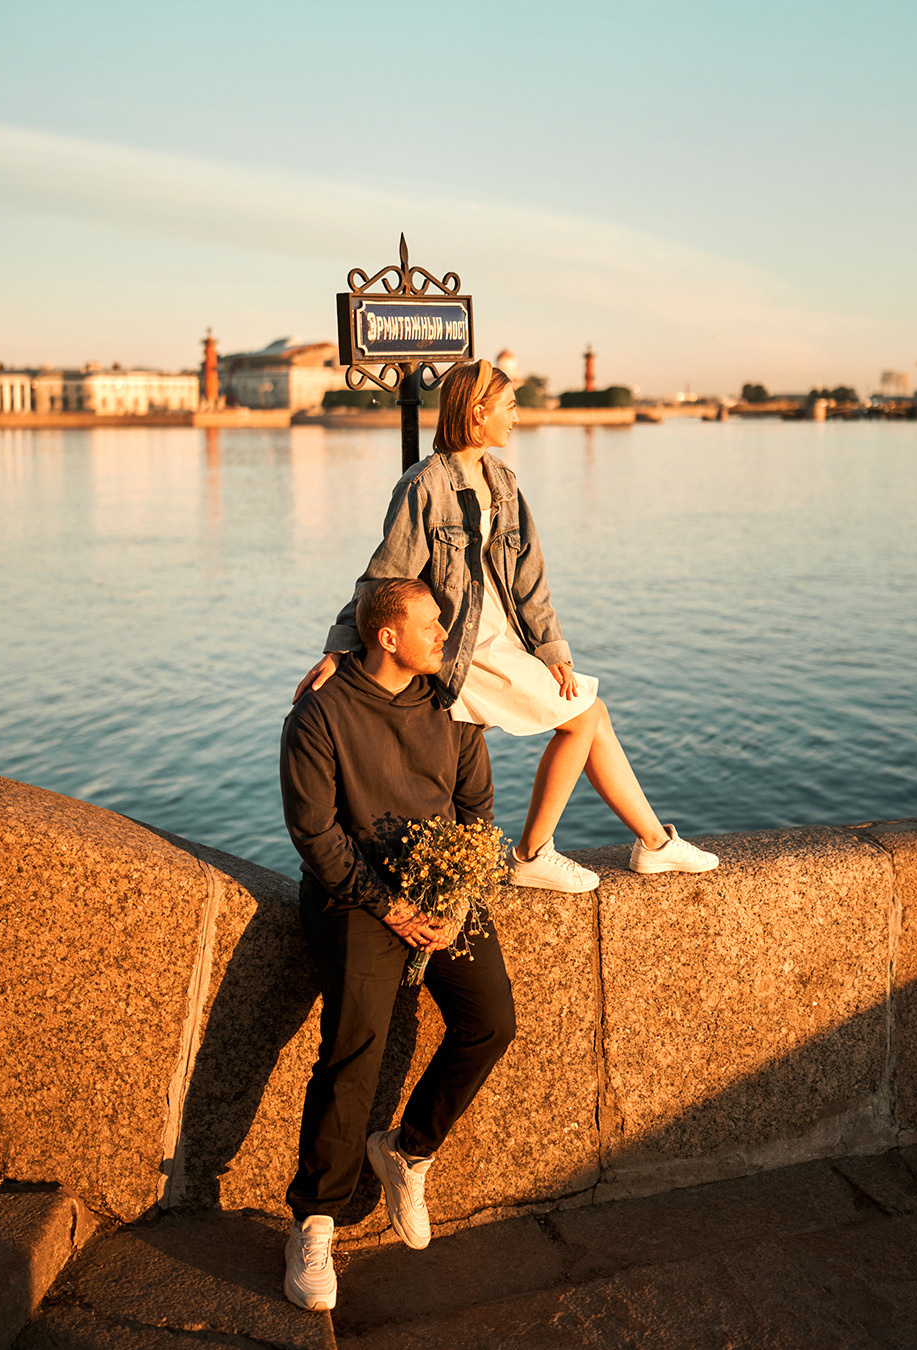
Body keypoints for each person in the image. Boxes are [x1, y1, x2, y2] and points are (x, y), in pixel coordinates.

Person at [296, 358, 718, 894]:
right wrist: (339, 649)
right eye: (510, 405)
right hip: (462, 647)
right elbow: (384, 578)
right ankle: (534, 852)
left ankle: (654, 845)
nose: (517, 416)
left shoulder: (502, 481)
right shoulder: (424, 485)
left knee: (591, 712)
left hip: (504, 639)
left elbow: (530, 576)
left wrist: (551, 649)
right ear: (477, 414)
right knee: (585, 715)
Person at [280, 576, 516, 1311]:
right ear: (388, 636)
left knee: (491, 1022)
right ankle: (314, 1222)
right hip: (354, 898)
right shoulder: (320, 715)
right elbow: (315, 835)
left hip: (441, 894)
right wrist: (391, 907)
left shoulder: (451, 707)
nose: (445, 639)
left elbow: (477, 812)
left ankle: (407, 1150)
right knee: (355, 1045)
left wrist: (457, 899)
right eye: (432, 629)